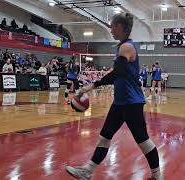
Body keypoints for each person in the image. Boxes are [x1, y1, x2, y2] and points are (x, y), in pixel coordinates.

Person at [65, 12, 163, 180]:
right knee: (105, 136)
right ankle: (87, 171)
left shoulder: (126, 48)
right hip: (120, 102)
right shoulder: (122, 47)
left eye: (112, 27)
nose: (110, 30)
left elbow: (117, 72)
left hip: (131, 102)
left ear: (119, 27)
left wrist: (92, 86)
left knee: (143, 140)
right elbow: (117, 73)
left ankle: (157, 176)